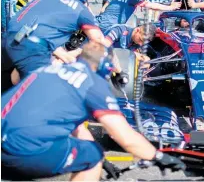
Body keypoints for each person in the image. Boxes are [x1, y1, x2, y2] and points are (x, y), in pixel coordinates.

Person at [1, 41, 185, 181]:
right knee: (92, 158)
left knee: (91, 153)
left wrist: (102, 159)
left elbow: (78, 128)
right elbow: (125, 137)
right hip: (22, 149)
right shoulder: (92, 84)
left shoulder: (48, 70)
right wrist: (158, 156)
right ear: (105, 66)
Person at [2, 0, 105, 81]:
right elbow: (99, 40)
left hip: (10, 38)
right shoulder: (80, 8)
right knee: (44, 85)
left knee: (15, 76)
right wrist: (79, 52)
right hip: (34, 45)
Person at [97, 0, 181, 32]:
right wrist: (170, 7)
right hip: (108, 28)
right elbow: (151, 5)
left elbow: (103, 10)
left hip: (100, 24)